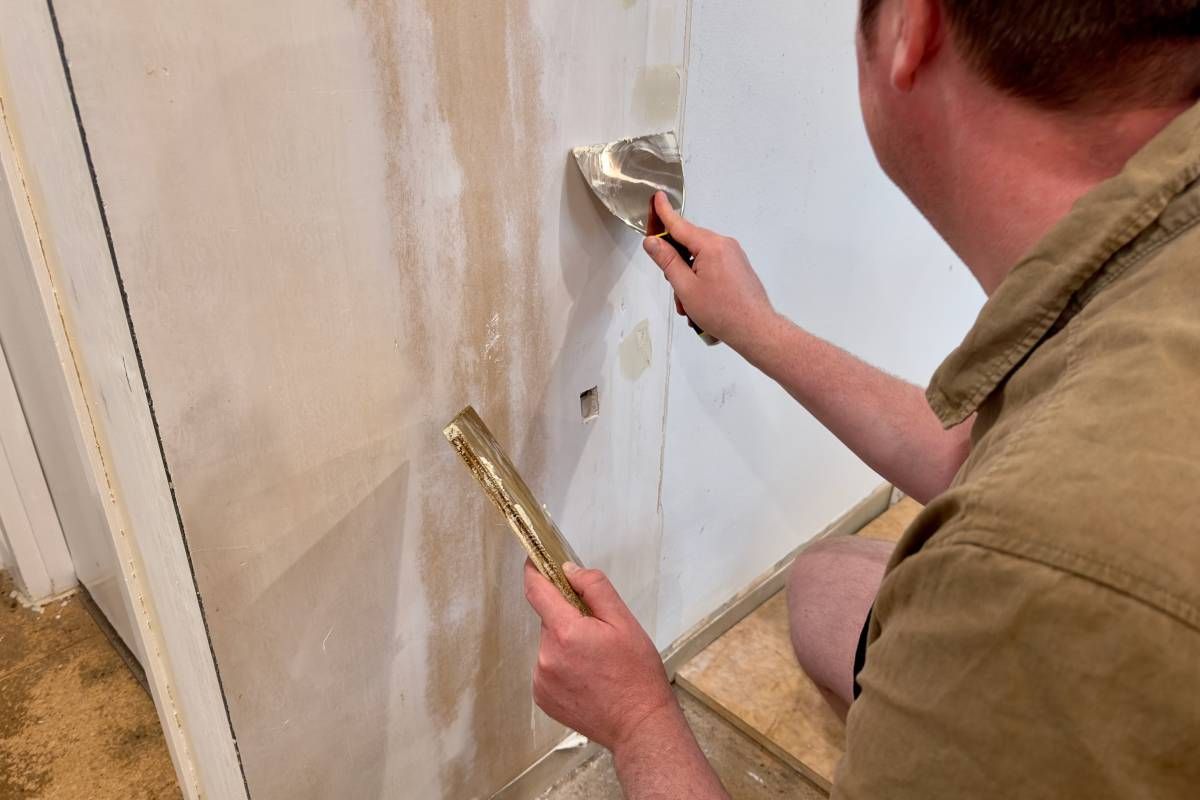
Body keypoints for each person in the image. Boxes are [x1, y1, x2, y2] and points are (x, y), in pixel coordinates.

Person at [522, 0, 1200, 796]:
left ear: (915, 27)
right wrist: (759, 330)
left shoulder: (1024, 570)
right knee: (827, 587)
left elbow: (1032, 524)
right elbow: (985, 456)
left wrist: (637, 718)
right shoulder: (1156, 277)